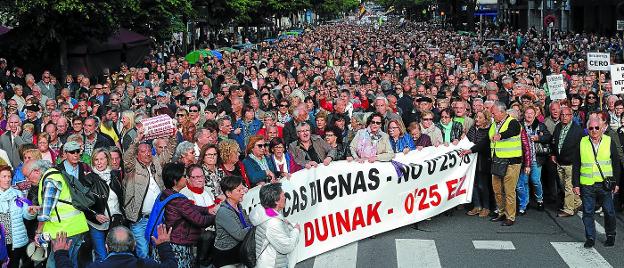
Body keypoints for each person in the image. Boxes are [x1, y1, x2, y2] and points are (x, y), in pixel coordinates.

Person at [463, 101, 522, 226]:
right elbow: (485, 141)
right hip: (497, 161)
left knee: (509, 191)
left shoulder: (513, 122)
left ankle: (510, 216)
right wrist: (471, 150)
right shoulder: (494, 124)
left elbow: (513, 131)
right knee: (497, 189)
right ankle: (500, 212)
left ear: (501, 112)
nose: (492, 115)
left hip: (511, 162)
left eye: (494, 113)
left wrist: (501, 135)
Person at [123, 124, 176, 258]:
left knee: (159, 250)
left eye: (148, 150)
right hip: (140, 219)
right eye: (143, 151)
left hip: (158, 216)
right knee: (143, 252)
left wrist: (173, 136)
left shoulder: (156, 162)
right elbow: (127, 157)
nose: (147, 153)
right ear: (137, 154)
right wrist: (136, 140)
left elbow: (169, 151)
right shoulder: (132, 166)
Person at [36, 143, 89, 268]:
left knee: (54, 264)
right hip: (76, 227)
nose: (76, 154)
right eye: (72, 152)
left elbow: (46, 210)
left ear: (36, 171)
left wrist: (38, 231)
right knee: (71, 263)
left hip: (64, 231)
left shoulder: (53, 177)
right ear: (64, 154)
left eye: (77, 151)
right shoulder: (59, 172)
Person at [572, 117, 621, 248]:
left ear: (602, 129)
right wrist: (575, 184)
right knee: (588, 212)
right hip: (587, 184)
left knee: (609, 211)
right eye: (591, 128)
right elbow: (576, 164)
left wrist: (617, 183)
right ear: (587, 129)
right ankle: (590, 237)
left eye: (597, 128)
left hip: (605, 184)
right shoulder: (582, 142)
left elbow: (616, 163)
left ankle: (610, 235)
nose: (594, 130)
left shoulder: (609, 141)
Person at [160, 162, 215, 268]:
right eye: (184, 176)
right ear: (176, 181)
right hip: (178, 244)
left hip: (173, 241)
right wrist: (218, 217)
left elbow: (191, 208)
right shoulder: (179, 200)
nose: (186, 178)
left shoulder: (167, 193)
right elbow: (200, 220)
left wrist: (207, 210)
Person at [52, 225, 177, 268]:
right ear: (133, 246)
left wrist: (61, 254)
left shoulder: (95, 267)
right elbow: (171, 266)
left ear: (107, 247)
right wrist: (164, 245)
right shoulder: (147, 265)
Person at [85, 147, 124, 263]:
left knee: (116, 256)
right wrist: (95, 215)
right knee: (101, 256)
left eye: (102, 159)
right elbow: (84, 204)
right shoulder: (89, 179)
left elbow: (121, 198)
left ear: (107, 159)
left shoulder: (115, 176)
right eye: (96, 159)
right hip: (96, 224)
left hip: (115, 222)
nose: (99, 162)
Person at [249, 183, 300, 268]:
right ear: (276, 201)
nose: (285, 197)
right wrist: (296, 230)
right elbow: (287, 246)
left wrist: (282, 221)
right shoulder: (273, 223)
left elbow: (274, 218)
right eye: (283, 195)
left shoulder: (265, 211)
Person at [0, 165, 39, 268]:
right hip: (2, 242)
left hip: (18, 240)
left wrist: (31, 212)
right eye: (4, 176)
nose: (7, 179)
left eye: (9, 177)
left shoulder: (18, 194)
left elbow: (26, 215)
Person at [551, 106, 584, 217]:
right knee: (564, 185)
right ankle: (577, 202)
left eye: (567, 115)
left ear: (571, 116)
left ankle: (568, 209)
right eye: (562, 115)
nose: (564, 117)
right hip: (560, 162)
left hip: (571, 163)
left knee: (568, 187)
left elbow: (581, 148)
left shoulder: (578, 130)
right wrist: (553, 154)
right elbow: (554, 142)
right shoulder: (558, 127)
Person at [517, 105, 550, 215]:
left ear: (535, 114)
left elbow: (548, 137)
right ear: (524, 114)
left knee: (535, 181)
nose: (529, 115)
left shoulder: (540, 125)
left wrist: (538, 138)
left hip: (536, 158)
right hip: (523, 159)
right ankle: (524, 203)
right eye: (527, 113)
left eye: (531, 113)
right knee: (524, 182)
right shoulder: (520, 125)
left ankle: (539, 199)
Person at [214, 176, 251, 268]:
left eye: (242, 189)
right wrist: (255, 225)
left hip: (239, 254)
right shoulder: (224, 212)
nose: (242, 192)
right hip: (226, 257)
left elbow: (247, 222)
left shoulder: (239, 207)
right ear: (228, 193)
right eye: (239, 190)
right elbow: (240, 235)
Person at [464, 110, 493, 217]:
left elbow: (483, 144)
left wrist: (472, 149)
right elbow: (467, 140)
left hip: (483, 161)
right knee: (473, 183)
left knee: (482, 185)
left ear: (486, 119)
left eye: (480, 118)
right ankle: (477, 205)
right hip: (472, 161)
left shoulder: (489, 130)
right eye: (476, 117)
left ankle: (486, 207)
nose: (477, 119)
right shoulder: (472, 128)